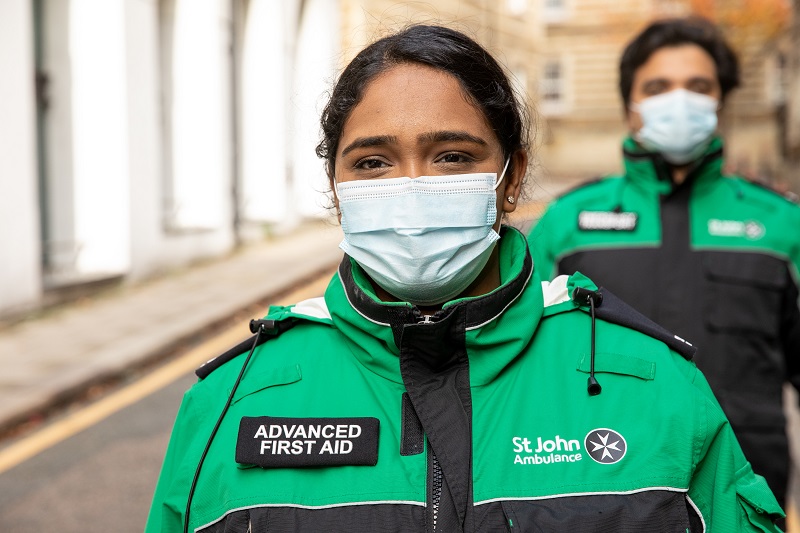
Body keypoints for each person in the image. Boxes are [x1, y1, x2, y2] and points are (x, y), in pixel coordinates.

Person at [147, 24, 783, 532]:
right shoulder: (232, 402)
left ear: (510, 178)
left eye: (452, 156)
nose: (414, 186)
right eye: (372, 161)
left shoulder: (657, 386)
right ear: (337, 190)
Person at [528, 16, 800, 512]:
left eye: (698, 86)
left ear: (720, 101)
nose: (679, 100)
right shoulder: (566, 224)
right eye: (657, 87)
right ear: (630, 105)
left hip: (744, 497)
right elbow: (521, 369)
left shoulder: (783, 225)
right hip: (598, 490)